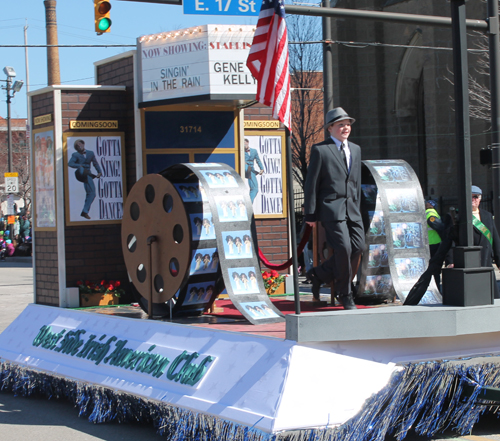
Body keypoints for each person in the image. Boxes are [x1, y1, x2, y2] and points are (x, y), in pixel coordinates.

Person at [303, 107, 364, 310]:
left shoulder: (355, 149)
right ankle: (344, 293)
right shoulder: (321, 150)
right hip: (331, 209)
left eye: (347, 124)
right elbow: (311, 184)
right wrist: (310, 214)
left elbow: (356, 182)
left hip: (352, 210)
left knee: (358, 247)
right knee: (343, 249)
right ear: (330, 128)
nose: (345, 127)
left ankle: (318, 274)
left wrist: (357, 206)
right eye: (341, 124)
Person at [68, 139, 102, 219]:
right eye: (77, 146)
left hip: (87, 174)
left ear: (83, 144)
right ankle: (89, 174)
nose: (79, 146)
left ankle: (85, 211)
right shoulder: (75, 155)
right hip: (80, 173)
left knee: (91, 193)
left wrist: (99, 172)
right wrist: (79, 165)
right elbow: (70, 163)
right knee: (82, 170)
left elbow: (95, 163)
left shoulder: (90, 153)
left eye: (80, 144)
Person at [425, 199, 446, 290]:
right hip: (433, 244)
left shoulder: (428, 213)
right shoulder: (431, 213)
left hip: (430, 244)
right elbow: (439, 226)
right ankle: (436, 288)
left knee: (432, 268)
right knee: (434, 268)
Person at [244, 138, 264, 203]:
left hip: (251, 169)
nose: (244, 146)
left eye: (245, 144)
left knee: (255, 188)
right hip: (244, 166)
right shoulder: (241, 151)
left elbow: (258, 160)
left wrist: (262, 168)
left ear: (247, 142)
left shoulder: (254, 151)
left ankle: (249, 203)